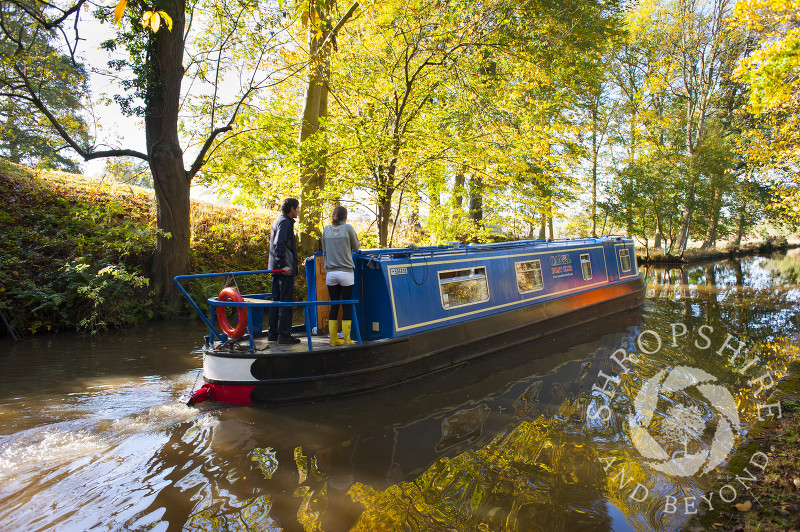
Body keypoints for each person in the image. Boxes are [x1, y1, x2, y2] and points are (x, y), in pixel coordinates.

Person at [322, 205, 359, 346]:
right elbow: (357, 248)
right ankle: (347, 339)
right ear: (345, 217)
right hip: (346, 273)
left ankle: (333, 340)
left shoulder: (326, 229)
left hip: (330, 273)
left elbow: (324, 250)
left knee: (334, 305)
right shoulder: (348, 228)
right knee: (347, 305)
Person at [268, 198, 301, 344]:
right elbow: (279, 244)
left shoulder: (278, 220)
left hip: (276, 268)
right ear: (292, 209)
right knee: (286, 301)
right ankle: (285, 336)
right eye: (298, 208)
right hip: (284, 269)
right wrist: (283, 265)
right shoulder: (285, 222)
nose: (299, 211)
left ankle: (273, 334)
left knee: (276, 301)